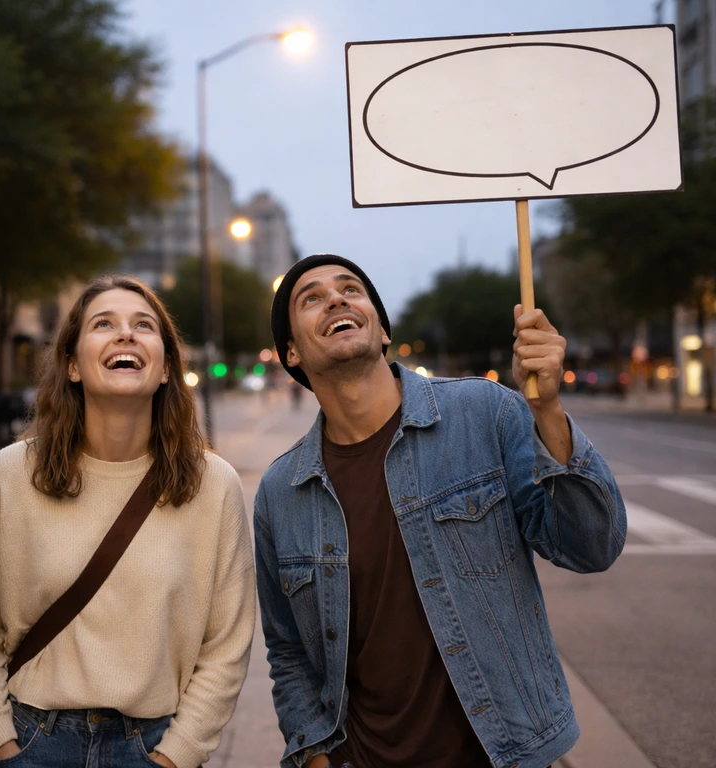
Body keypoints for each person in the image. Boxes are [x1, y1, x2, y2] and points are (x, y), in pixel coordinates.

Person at [254, 254, 627, 768]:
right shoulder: (281, 491)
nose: (337, 298)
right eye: (311, 298)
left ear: (382, 329)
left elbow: (592, 546)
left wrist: (546, 410)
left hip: (505, 754)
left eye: (351, 289)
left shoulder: (485, 412)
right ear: (291, 351)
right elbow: (288, 651)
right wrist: (316, 758)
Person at [0, 275, 255, 768]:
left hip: (153, 747)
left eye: (143, 325)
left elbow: (227, 645)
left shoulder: (213, 485)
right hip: (30, 740)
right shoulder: (9, 475)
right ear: (71, 364)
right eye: (103, 324)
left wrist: (178, 754)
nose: (126, 334)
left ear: (165, 369)